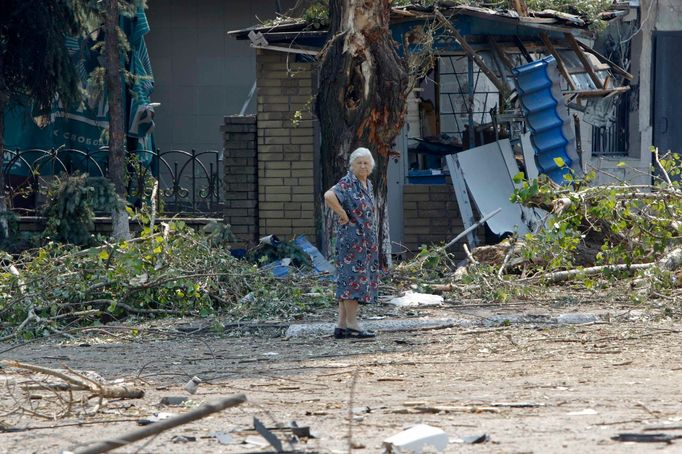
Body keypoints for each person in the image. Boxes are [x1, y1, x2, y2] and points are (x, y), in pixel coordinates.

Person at [324, 147, 379, 339]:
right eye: (359, 163)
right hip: (352, 240)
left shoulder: (367, 183)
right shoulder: (348, 182)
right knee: (352, 282)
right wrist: (343, 215)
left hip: (364, 241)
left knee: (348, 281)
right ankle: (352, 324)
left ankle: (341, 326)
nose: (363, 166)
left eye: (366, 163)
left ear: (371, 166)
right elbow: (329, 196)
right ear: (352, 165)